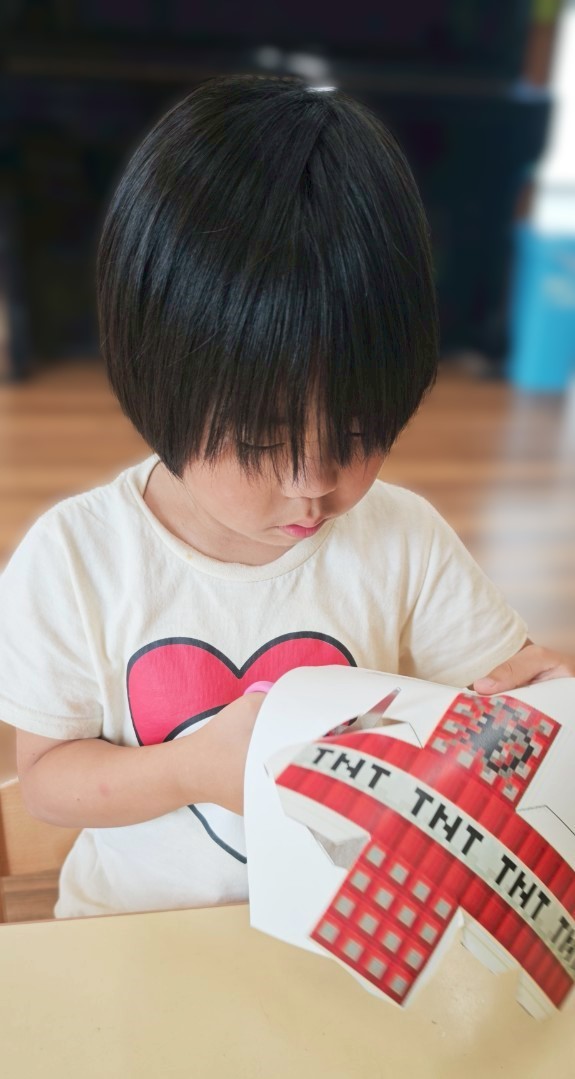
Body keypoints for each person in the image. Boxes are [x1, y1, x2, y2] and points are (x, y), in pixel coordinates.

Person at [0, 74, 572, 919]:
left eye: (358, 431)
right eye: (262, 442)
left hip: (351, 932)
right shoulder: (77, 558)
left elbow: (495, 709)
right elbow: (47, 782)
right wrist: (190, 770)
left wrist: (538, 703)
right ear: (157, 378)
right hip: (140, 933)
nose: (314, 485)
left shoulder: (404, 541)